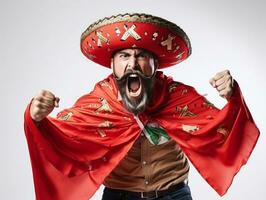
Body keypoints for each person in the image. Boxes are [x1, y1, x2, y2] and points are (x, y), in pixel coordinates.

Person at [24, 13, 259, 200]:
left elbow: (223, 131)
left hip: (174, 196)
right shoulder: (98, 101)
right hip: (119, 197)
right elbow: (64, 137)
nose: (132, 64)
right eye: (124, 56)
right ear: (113, 65)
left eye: (142, 56)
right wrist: (37, 117)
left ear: (156, 65)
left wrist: (232, 95)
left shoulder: (179, 97)